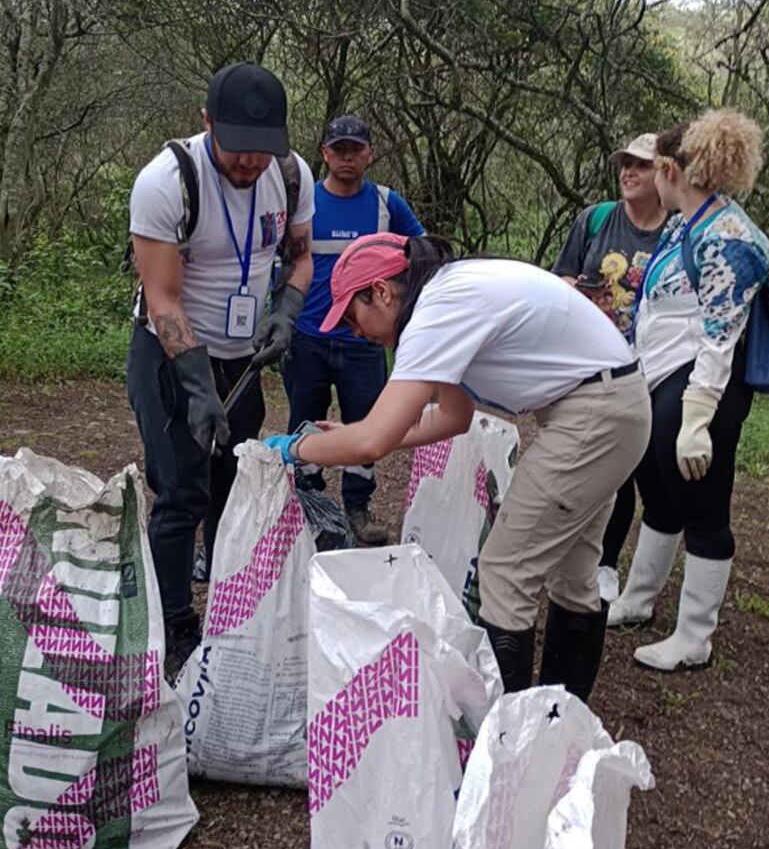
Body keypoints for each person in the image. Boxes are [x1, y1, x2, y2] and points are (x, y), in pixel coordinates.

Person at [265, 233, 651, 702]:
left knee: (506, 573)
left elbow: (373, 442)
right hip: (610, 403)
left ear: (382, 291)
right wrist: (349, 435)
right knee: (573, 574)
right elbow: (453, 415)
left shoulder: (437, 310)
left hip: (593, 414)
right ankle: (557, 725)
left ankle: (506, 745)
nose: (355, 332)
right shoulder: (451, 294)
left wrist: (297, 448)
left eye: (352, 316)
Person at [127, 62, 315, 678]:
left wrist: (285, 311)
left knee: (232, 483)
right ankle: (175, 626)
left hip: (244, 353)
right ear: (207, 123)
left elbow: (300, 256)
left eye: (264, 150)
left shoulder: (289, 176)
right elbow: (163, 299)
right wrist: (198, 387)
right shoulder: (168, 182)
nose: (251, 163)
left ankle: (231, 614)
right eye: (239, 149)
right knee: (182, 491)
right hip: (170, 351)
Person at [608, 109, 769, 671]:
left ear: (671, 170)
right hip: (664, 376)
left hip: (704, 386)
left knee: (702, 503)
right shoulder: (687, 221)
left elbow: (722, 333)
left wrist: (698, 418)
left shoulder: (729, 239)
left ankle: (694, 636)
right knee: (659, 490)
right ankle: (638, 598)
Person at [282, 115, 424, 545]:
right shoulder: (305, 204)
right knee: (304, 423)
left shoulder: (386, 205)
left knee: (365, 422)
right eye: (338, 150)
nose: (347, 158)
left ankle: (357, 509)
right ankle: (309, 508)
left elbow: (422, 254)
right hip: (308, 336)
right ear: (324, 153)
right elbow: (282, 262)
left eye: (355, 150)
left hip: (364, 344)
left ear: (370, 154)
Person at [553, 133, 668, 602]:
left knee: (633, 470)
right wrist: (580, 295)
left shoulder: (676, 231)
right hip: (590, 360)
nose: (628, 172)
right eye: (624, 163)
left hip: (651, 365)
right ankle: (579, 557)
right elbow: (561, 277)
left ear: (665, 172)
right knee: (589, 463)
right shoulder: (596, 219)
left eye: (640, 165)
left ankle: (608, 565)